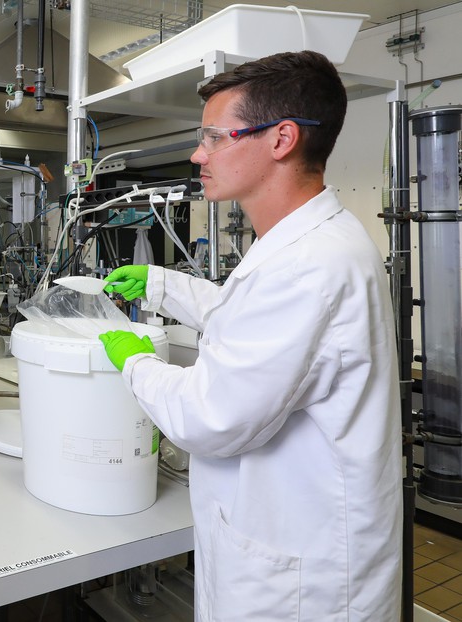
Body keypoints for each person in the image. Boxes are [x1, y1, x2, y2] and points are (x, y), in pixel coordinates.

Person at [97, 51, 402, 620]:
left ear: (281, 138)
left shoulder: (308, 265)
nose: (197, 154)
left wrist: (137, 363)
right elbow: (256, 325)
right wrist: (162, 286)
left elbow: (210, 417)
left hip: (303, 580)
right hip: (288, 541)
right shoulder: (304, 244)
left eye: (215, 138)